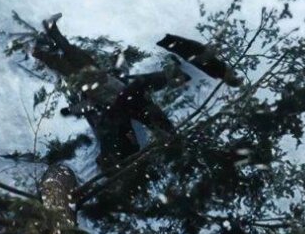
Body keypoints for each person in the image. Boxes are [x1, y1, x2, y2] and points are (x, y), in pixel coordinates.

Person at [31, 15, 188, 169]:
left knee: (71, 63)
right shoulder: (131, 103)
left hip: (99, 87)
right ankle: (50, 35)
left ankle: (43, 46)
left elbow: (97, 106)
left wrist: (75, 109)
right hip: (103, 83)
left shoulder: (124, 108)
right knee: (74, 57)